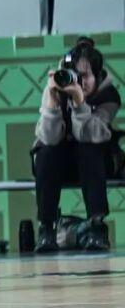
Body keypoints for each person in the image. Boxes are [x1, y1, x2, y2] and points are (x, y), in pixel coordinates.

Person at [33, 38, 119, 252]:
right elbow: (49, 138)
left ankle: (97, 227)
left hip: (96, 162)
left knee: (89, 150)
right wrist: (52, 104)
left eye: (86, 76)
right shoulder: (56, 89)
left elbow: (90, 135)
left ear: (98, 75)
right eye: (76, 75)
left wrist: (79, 103)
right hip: (60, 162)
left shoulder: (108, 95)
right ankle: (47, 228)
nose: (80, 81)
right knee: (46, 152)